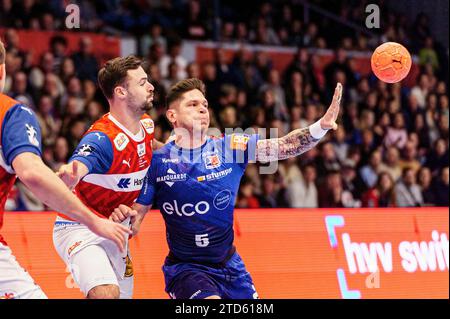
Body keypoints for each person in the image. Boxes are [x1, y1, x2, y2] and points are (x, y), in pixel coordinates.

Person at [110, 78, 342, 299]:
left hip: (230, 265)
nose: (202, 109)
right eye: (192, 104)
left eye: (205, 105)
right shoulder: (158, 162)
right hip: (186, 270)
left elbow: (283, 147)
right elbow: (136, 218)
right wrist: (125, 219)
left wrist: (319, 127)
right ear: (173, 115)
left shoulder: (230, 146)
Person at [0, 41, 131, 299]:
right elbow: (33, 174)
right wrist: (93, 221)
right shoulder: (10, 113)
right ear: (2, 71)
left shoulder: (144, 131)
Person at [53, 56, 160, 299]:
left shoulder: (146, 125)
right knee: (106, 293)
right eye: (143, 82)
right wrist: (70, 175)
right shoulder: (101, 139)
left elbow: (154, 150)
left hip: (116, 230)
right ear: (121, 92)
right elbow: (77, 167)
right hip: (79, 227)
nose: (151, 86)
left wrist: (188, 150)